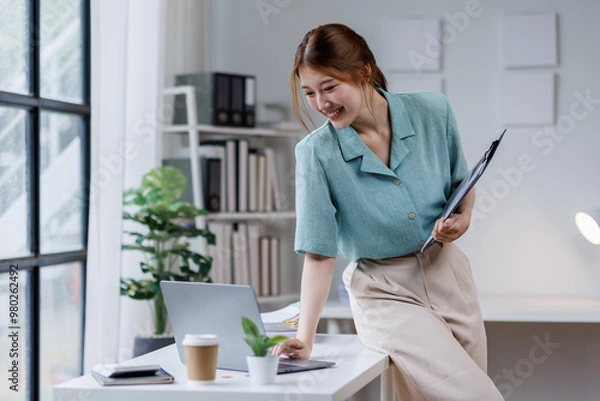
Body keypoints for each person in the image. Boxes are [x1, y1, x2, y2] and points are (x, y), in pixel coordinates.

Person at [275, 23, 504, 400]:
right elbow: (318, 254)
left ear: (364, 72)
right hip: (384, 291)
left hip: (450, 277)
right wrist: (305, 336)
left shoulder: (433, 111)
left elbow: (461, 186)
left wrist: (461, 220)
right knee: (475, 395)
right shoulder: (316, 154)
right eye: (310, 93)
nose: (320, 103)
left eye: (330, 87)